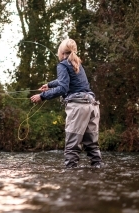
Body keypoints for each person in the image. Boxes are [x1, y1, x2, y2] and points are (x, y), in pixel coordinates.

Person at [30, 38, 103, 168]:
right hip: (92, 106)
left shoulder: (62, 64)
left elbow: (63, 88)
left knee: (71, 146)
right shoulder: (78, 64)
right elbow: (66, 81)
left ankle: (69, 181)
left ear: (61, 52)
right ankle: (97, 173)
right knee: (92, 145)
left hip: (78, 107)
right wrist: (49, 85)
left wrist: (42, 96)